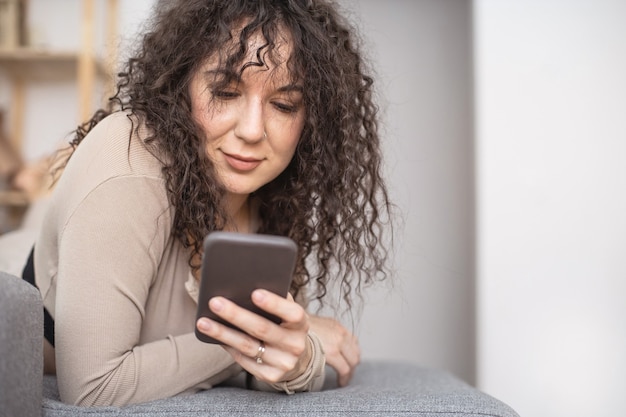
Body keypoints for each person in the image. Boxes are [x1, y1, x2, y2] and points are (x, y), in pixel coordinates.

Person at [29, 0, 391, 407]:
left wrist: (298, 355)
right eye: (225, 91)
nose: (253, 131)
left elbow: (271, 368)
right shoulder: (127, 155)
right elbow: (94, 388)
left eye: (284, 105)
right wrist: (252, 337)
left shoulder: (274, 200)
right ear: (180, 83)